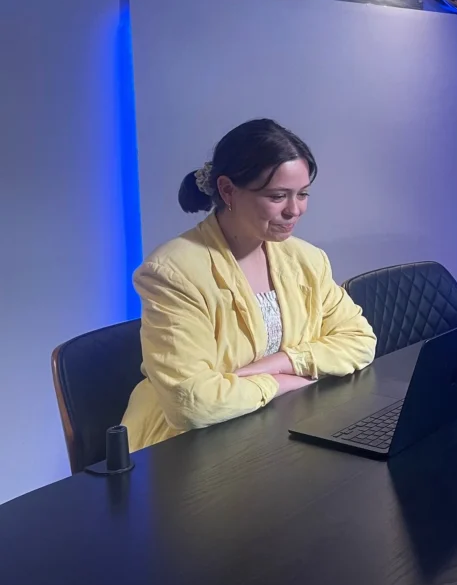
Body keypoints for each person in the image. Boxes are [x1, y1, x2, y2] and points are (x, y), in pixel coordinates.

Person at [122, 119, 377, 451]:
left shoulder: (307, 259)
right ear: (228, 190)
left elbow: (360, 341)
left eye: (302, 195)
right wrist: (276, 383)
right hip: (185, 447)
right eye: (277, 196)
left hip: (275, 428)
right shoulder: (173, 272)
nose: (294, 210)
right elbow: (191, 403)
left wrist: (281, 362)